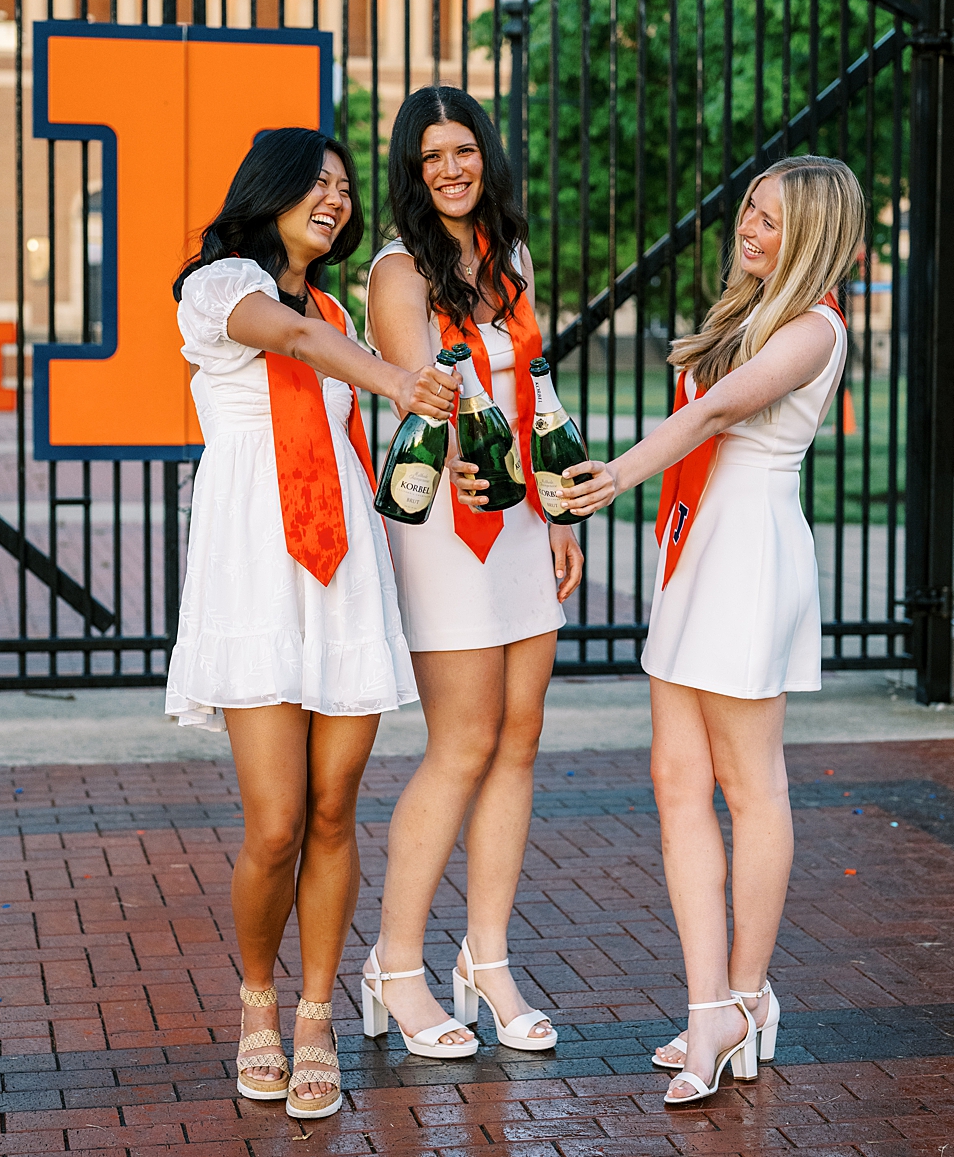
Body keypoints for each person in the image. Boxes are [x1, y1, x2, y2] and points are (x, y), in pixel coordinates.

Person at [165, 128, 457, 1120]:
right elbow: (283, 340)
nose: (332, 201)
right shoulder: (216, 285)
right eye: (315, 185)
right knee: (275, 821)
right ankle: (256, 1000)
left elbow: (344, 373)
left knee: (334, 810)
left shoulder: (335, 307)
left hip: (340, 570)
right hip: (254, 566)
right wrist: (391, 378)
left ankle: (315, 1013)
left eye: (343, 189)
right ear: (272, 190)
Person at [557, 156, 862, 1105]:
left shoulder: (815, 328)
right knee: (675, 781)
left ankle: (745, 993)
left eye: (773, 223)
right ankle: (707, 1011)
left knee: (750, 784)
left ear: (812, 235)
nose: (751, 232)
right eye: (749, 214)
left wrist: (618, 474)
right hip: (696, 551)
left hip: (748, 556)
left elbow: (724, 411)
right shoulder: (751, 314)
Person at [361, 87, 581, 1060]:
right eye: (429, 156)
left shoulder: (512, 262)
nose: (450, 168)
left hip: (522, 515)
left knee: (518, 741)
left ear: (485, 156)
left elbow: (532, 384)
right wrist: (481, 455)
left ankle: (484, 960)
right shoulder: (395, 269)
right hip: (444, 520)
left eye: (463, 150)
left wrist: (558, 505)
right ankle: (393, 967)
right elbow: (429, 398)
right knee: (460, 743)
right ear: (411, 173)